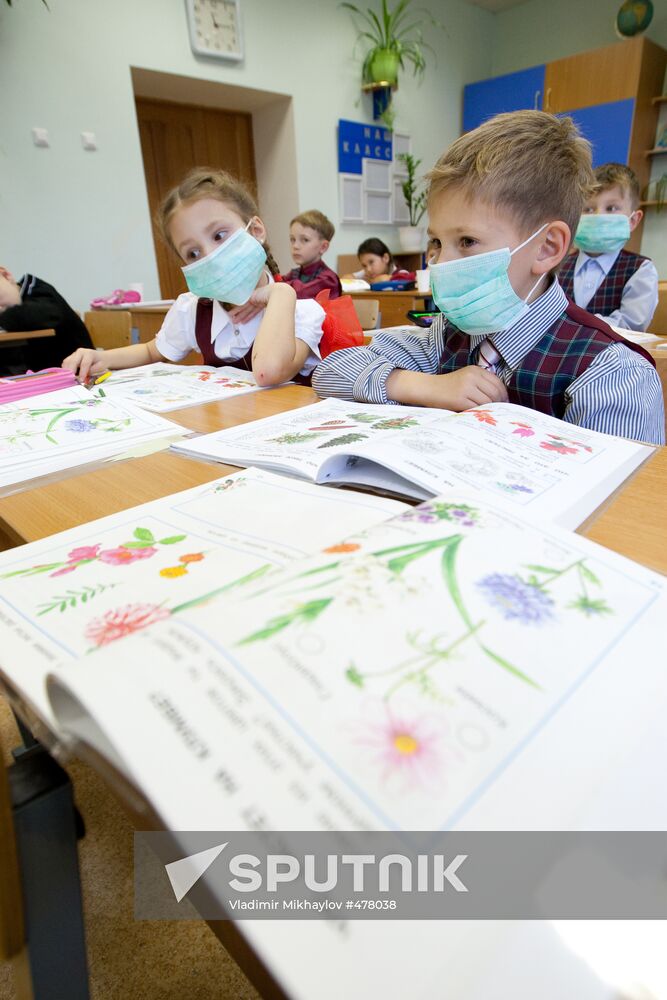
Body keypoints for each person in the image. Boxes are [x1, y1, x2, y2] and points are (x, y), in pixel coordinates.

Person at [313, 111, 664, 446]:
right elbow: (331, 371)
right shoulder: (447, 336)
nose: (441, 262)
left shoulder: (611, 374)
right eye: (436, 242)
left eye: (467, 241)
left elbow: (614, 503)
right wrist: (425, 386)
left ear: (546, 248)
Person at [62, 169, 327, 387]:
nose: (210, 256)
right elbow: (153, 351)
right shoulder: (194, 309)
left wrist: (281, 293)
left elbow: (267, 372)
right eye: (193, 252)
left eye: (219, 235)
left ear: (256, 230)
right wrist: (101, 357)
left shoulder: (301, 311)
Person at [559, 162, 658, 331]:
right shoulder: (558, 267)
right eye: (588, 209)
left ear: (633, 220)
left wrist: (574, 325)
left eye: (611, 208)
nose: (598, 216)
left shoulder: (640, 270)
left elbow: (631, 325)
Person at [0, 267, 93, 372]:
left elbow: (29, 316)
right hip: (38, 375)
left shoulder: (39, 290)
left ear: (5, 275)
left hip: (78, 373)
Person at [281, 210, 342, 300]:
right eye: (292, 239)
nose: (295, 246)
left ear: (323, 247)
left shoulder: (328, 280)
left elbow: (299, 293)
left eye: (305, 240)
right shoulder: (294, 274)